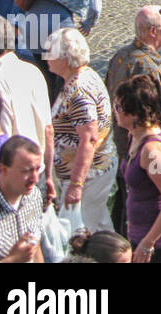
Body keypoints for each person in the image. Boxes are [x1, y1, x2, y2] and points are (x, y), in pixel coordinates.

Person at [103, 5, 161, 232]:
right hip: (144, 150)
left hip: (123, 148)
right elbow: (155, 113)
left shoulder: (120, 55)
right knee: (143, 207)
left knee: (126, 205)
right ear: (152, 32)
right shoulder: (147, 66)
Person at [42, 27, 116, 232]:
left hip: (89, 175)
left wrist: (76, 184)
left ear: (66, 58)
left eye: (51, 51)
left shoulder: (79, 89)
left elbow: (89, 139)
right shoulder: (80, 77)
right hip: (92, 170)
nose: (46, 56)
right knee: (97, 224)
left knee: (84, 231)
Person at [114, 73, 161, 262]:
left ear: (135, 114)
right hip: (143, 232)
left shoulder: (152, 152)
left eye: (119, 107)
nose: (115, 112)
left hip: (160, 241)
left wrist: (148, 242)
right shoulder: (135, 136)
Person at [0, 15, 52, 152]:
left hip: (6, 168)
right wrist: (49, 172)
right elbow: (48, 130)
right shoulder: (33, 72)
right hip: (37, 168)